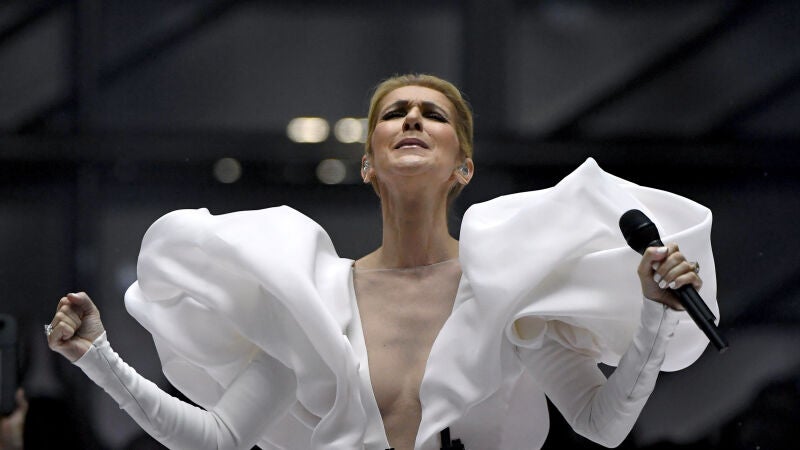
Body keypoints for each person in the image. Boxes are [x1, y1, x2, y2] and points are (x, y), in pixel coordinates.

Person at [46, 74, 716, 450]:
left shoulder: (509, 291)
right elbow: (220, 438)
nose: (413, 119)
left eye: (433, 115)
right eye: (396, 113)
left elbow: (600, 424)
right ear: (368, 162)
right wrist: (98, 357)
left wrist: (656, 317)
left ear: (463, 167)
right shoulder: (310, 300)